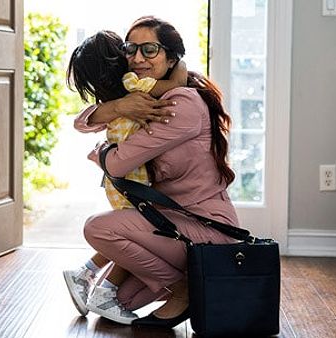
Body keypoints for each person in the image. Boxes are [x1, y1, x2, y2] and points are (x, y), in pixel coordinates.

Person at [76, 16, 240, 328]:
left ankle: (185, 289)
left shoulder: (180, 104)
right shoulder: (146, 96)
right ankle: (185, 283)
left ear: (171, 56)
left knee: (97, 228)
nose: (137, 58)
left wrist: (100, 151)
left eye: (149, 50)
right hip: (167, 226)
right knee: (118, 302)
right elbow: (83, 121)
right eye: (131, 49)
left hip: (204, 229)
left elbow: (117, 164)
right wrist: (120, 107)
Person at [62, 30, 187, 324]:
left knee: (129, 236)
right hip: (133, 183)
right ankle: (104, 290)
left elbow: (82, 122)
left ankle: (85, 274)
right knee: (133, 237)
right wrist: (179, 60)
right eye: (128, 49)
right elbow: (178, 82)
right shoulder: (133, 86)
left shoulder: (120, 93)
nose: (135, 55)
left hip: (122, 182)